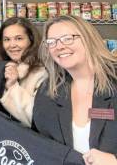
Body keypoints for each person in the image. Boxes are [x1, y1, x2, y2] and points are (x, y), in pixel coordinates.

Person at [33, 15, 117, 165]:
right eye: (51, 42)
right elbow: (41, 148)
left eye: (67, 38)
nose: (59, 46)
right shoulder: (48, 92)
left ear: (88, 38)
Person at [0, 17, 48, 127]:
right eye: (6, 39)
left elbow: (38, 119)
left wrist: (12, 86)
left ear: (31, 40)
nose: (12, 45)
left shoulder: (42, 73)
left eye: (19, 38)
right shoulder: (0, 69)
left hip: (29, 141)